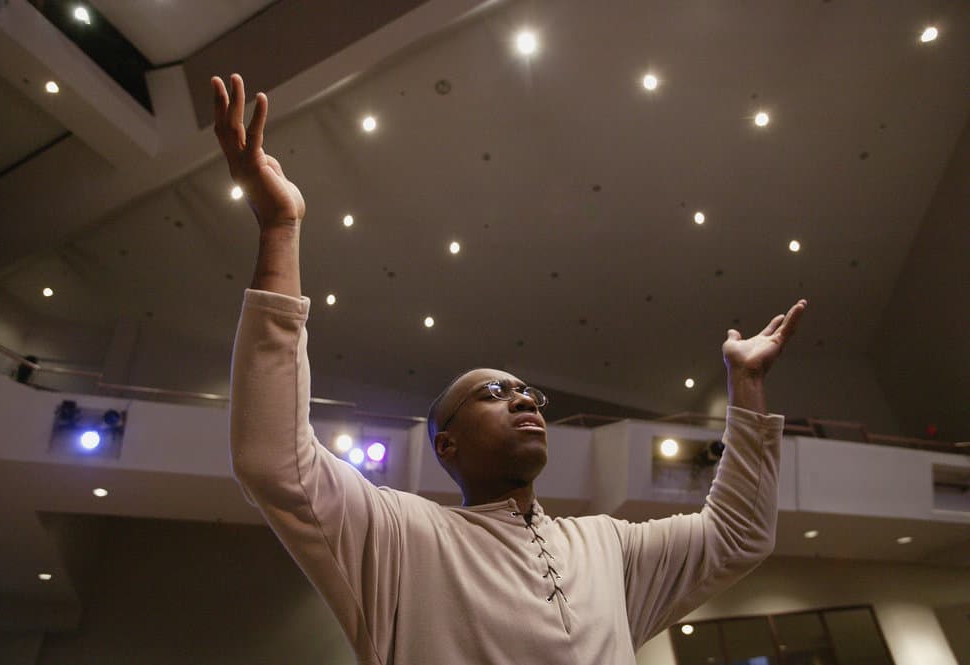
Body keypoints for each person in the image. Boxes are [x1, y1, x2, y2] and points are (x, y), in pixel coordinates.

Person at [215, 72, 807, 664]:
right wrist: (280, 230)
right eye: (493, 392)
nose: (523, 400)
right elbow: (274, 462)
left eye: (527, 392)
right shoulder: (401, 537)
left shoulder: (610, 548)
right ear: (446, 446)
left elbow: (738, 533)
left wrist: (747, 386)